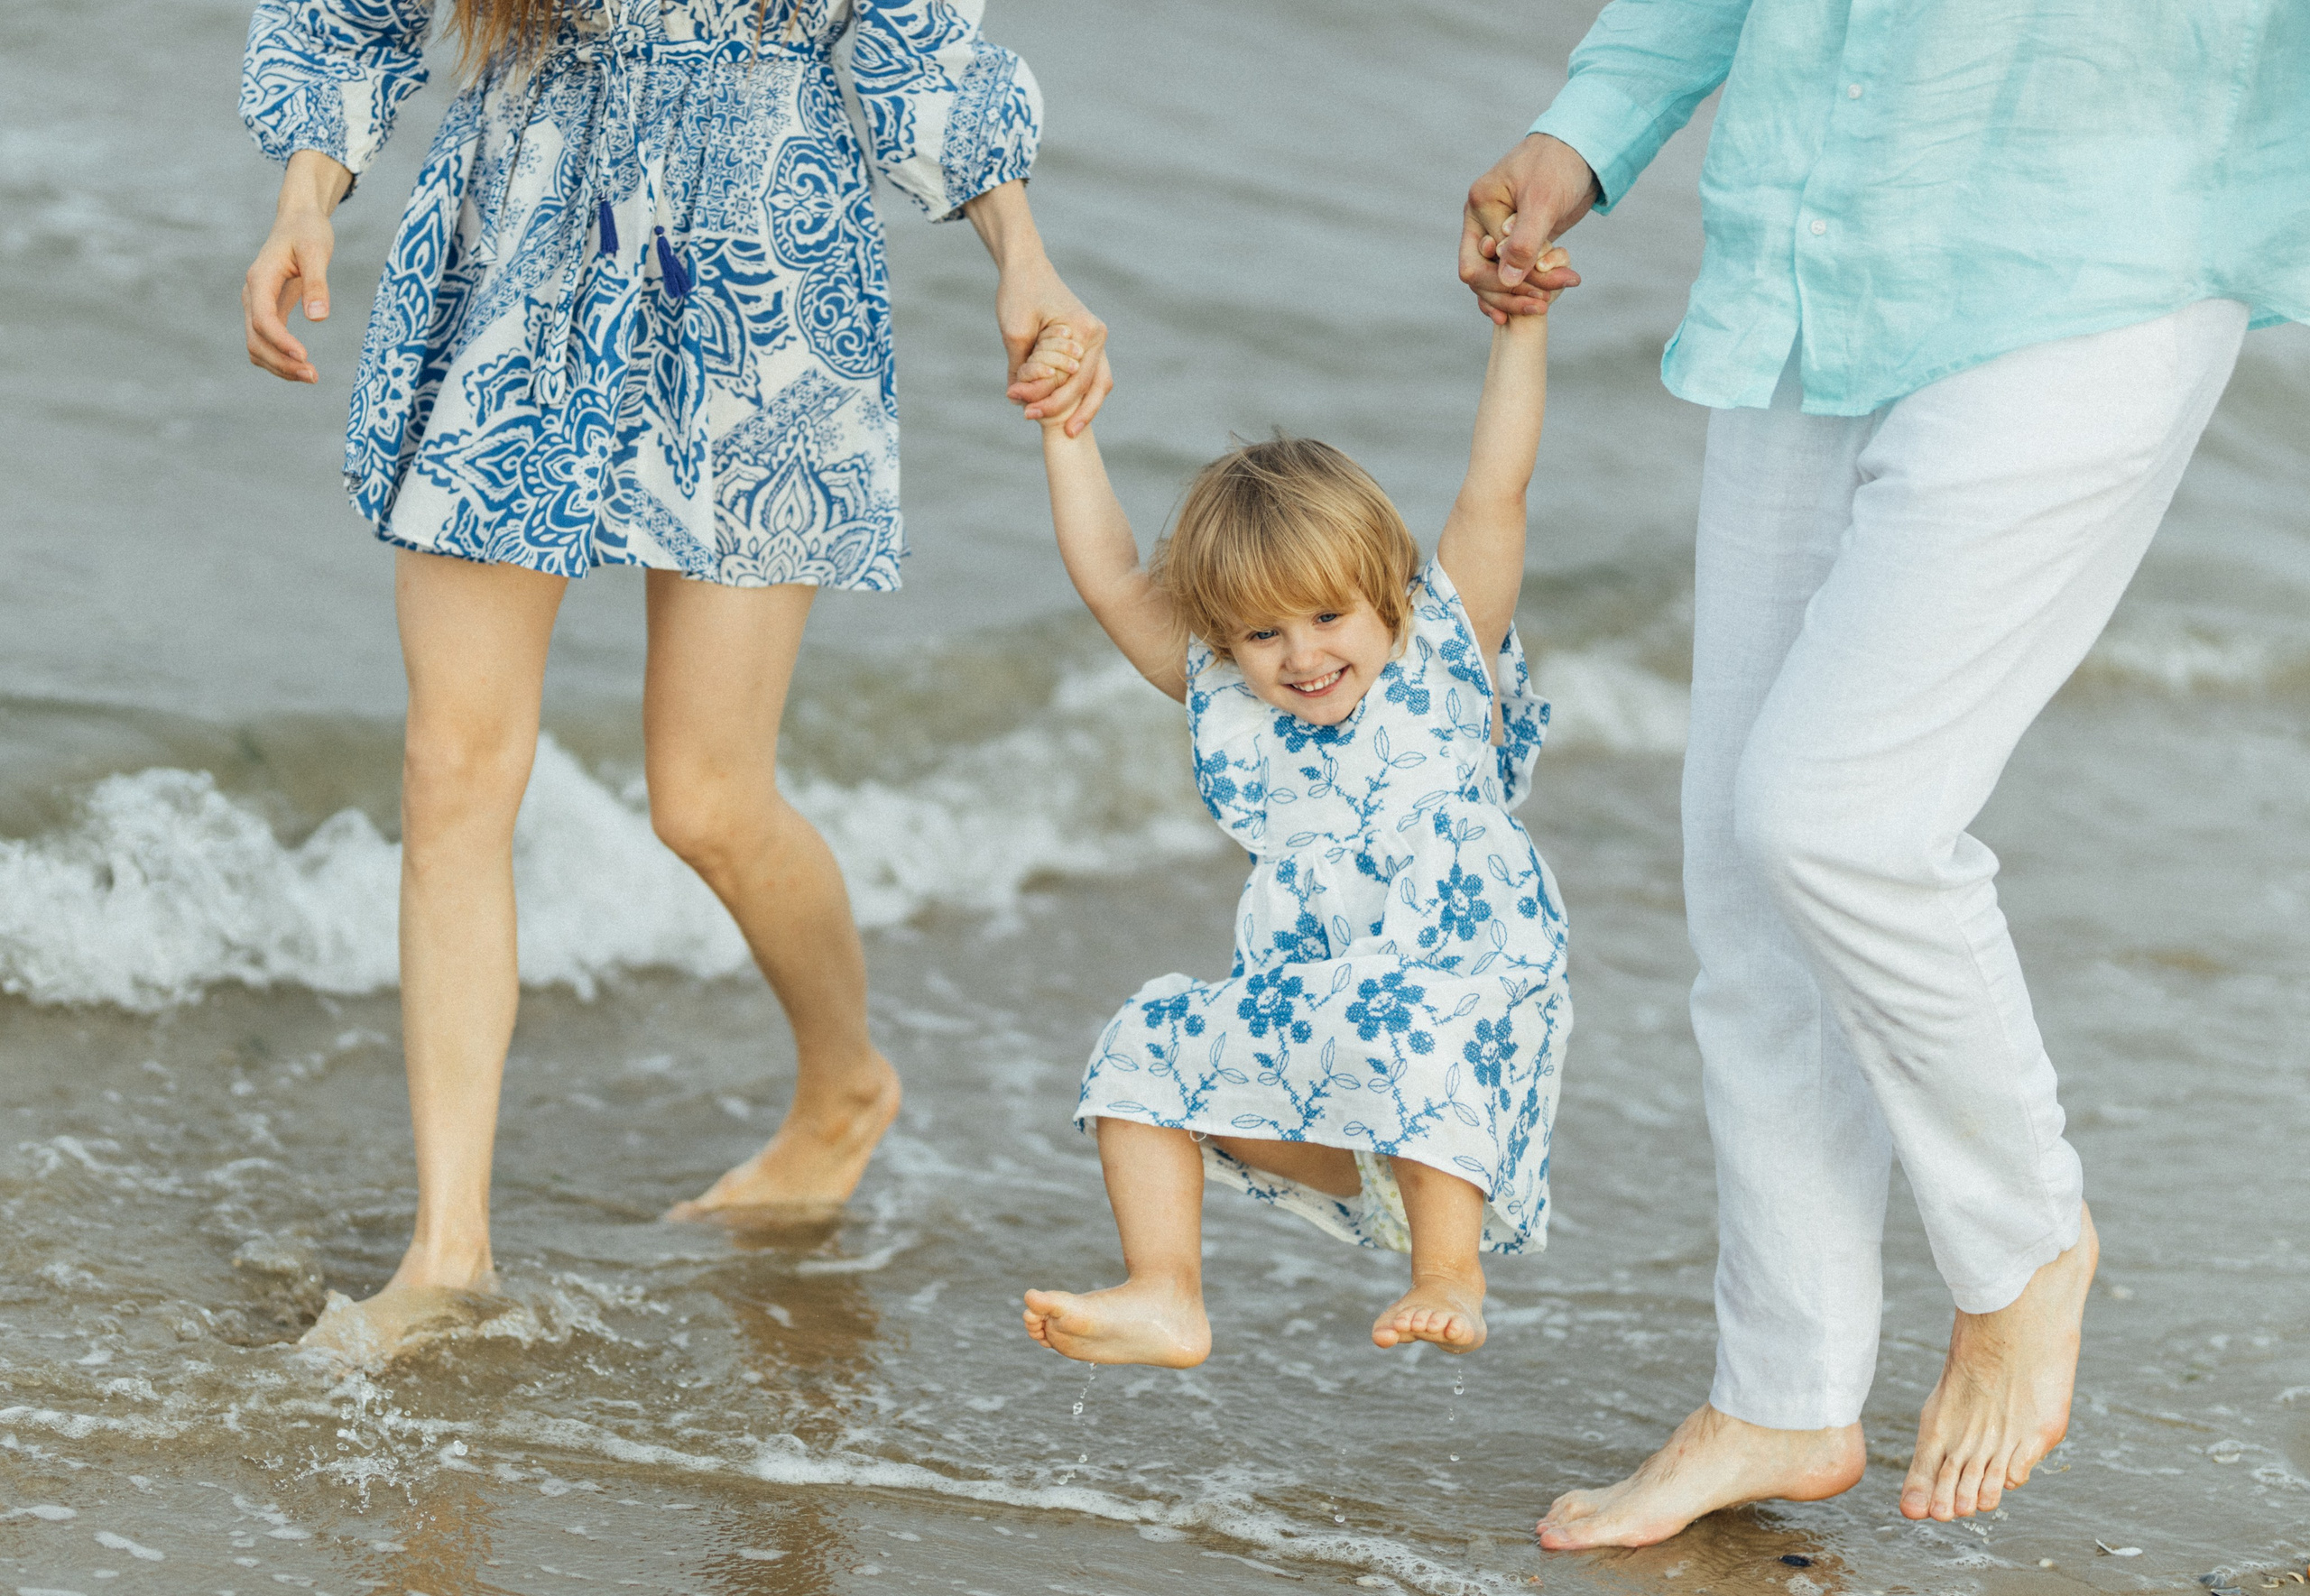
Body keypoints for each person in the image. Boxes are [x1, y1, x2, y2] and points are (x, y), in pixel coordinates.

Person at [1457, 0, 2309, 1545]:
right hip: (1816, 256)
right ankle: (1782, 1386)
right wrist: (1594, 122)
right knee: (1744, 869)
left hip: (2097, 265)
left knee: (1840, 817)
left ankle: (2025, 1240)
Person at [236, 0, 1113, 1364]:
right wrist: (306, 196)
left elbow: (915, 48)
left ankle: (846, 1084)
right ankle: (448, 1252)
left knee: (707, 797)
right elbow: (349, 13)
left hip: (761, 254)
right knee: (453, 765)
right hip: (522, 234)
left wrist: (1025, 257)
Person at [1010, 273, 1572, 1368]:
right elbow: (1115, 577)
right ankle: (1167, 1289)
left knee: (1410, 1012)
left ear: (1385, 595)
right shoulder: (1230, 697)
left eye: (1327, 615)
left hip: (1457, 1008)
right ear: (1223, 641)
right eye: (1263, 634)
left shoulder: (1438, 653)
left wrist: (1522, 331)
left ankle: (1446, 1271)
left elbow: (1497, 485)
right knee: (1141, 1043)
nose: (1304, 655)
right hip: (1320, 1028)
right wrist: (1066, 428)